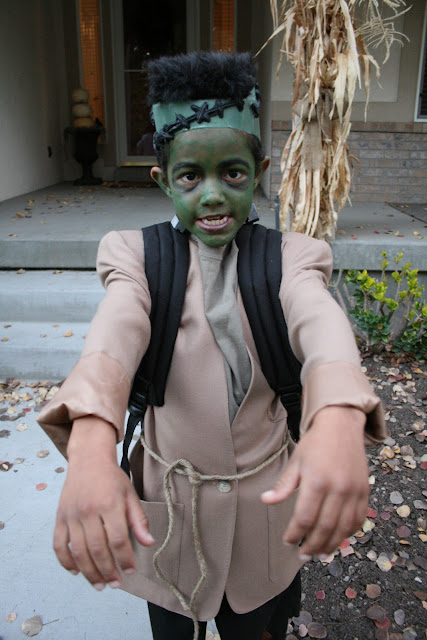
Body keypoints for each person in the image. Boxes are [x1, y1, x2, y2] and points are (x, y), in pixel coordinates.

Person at [37, 52, 386, 640]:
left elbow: (319, 320)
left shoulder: (291, 258)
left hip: (263, 524)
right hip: (170, 520)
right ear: (163, 180)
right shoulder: (137, 257)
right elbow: (116, 331)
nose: (213, 195)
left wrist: (338, 410)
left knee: (259, 626)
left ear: (260, 171)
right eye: (189, 177)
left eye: (233, 174)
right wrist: (93, 437)